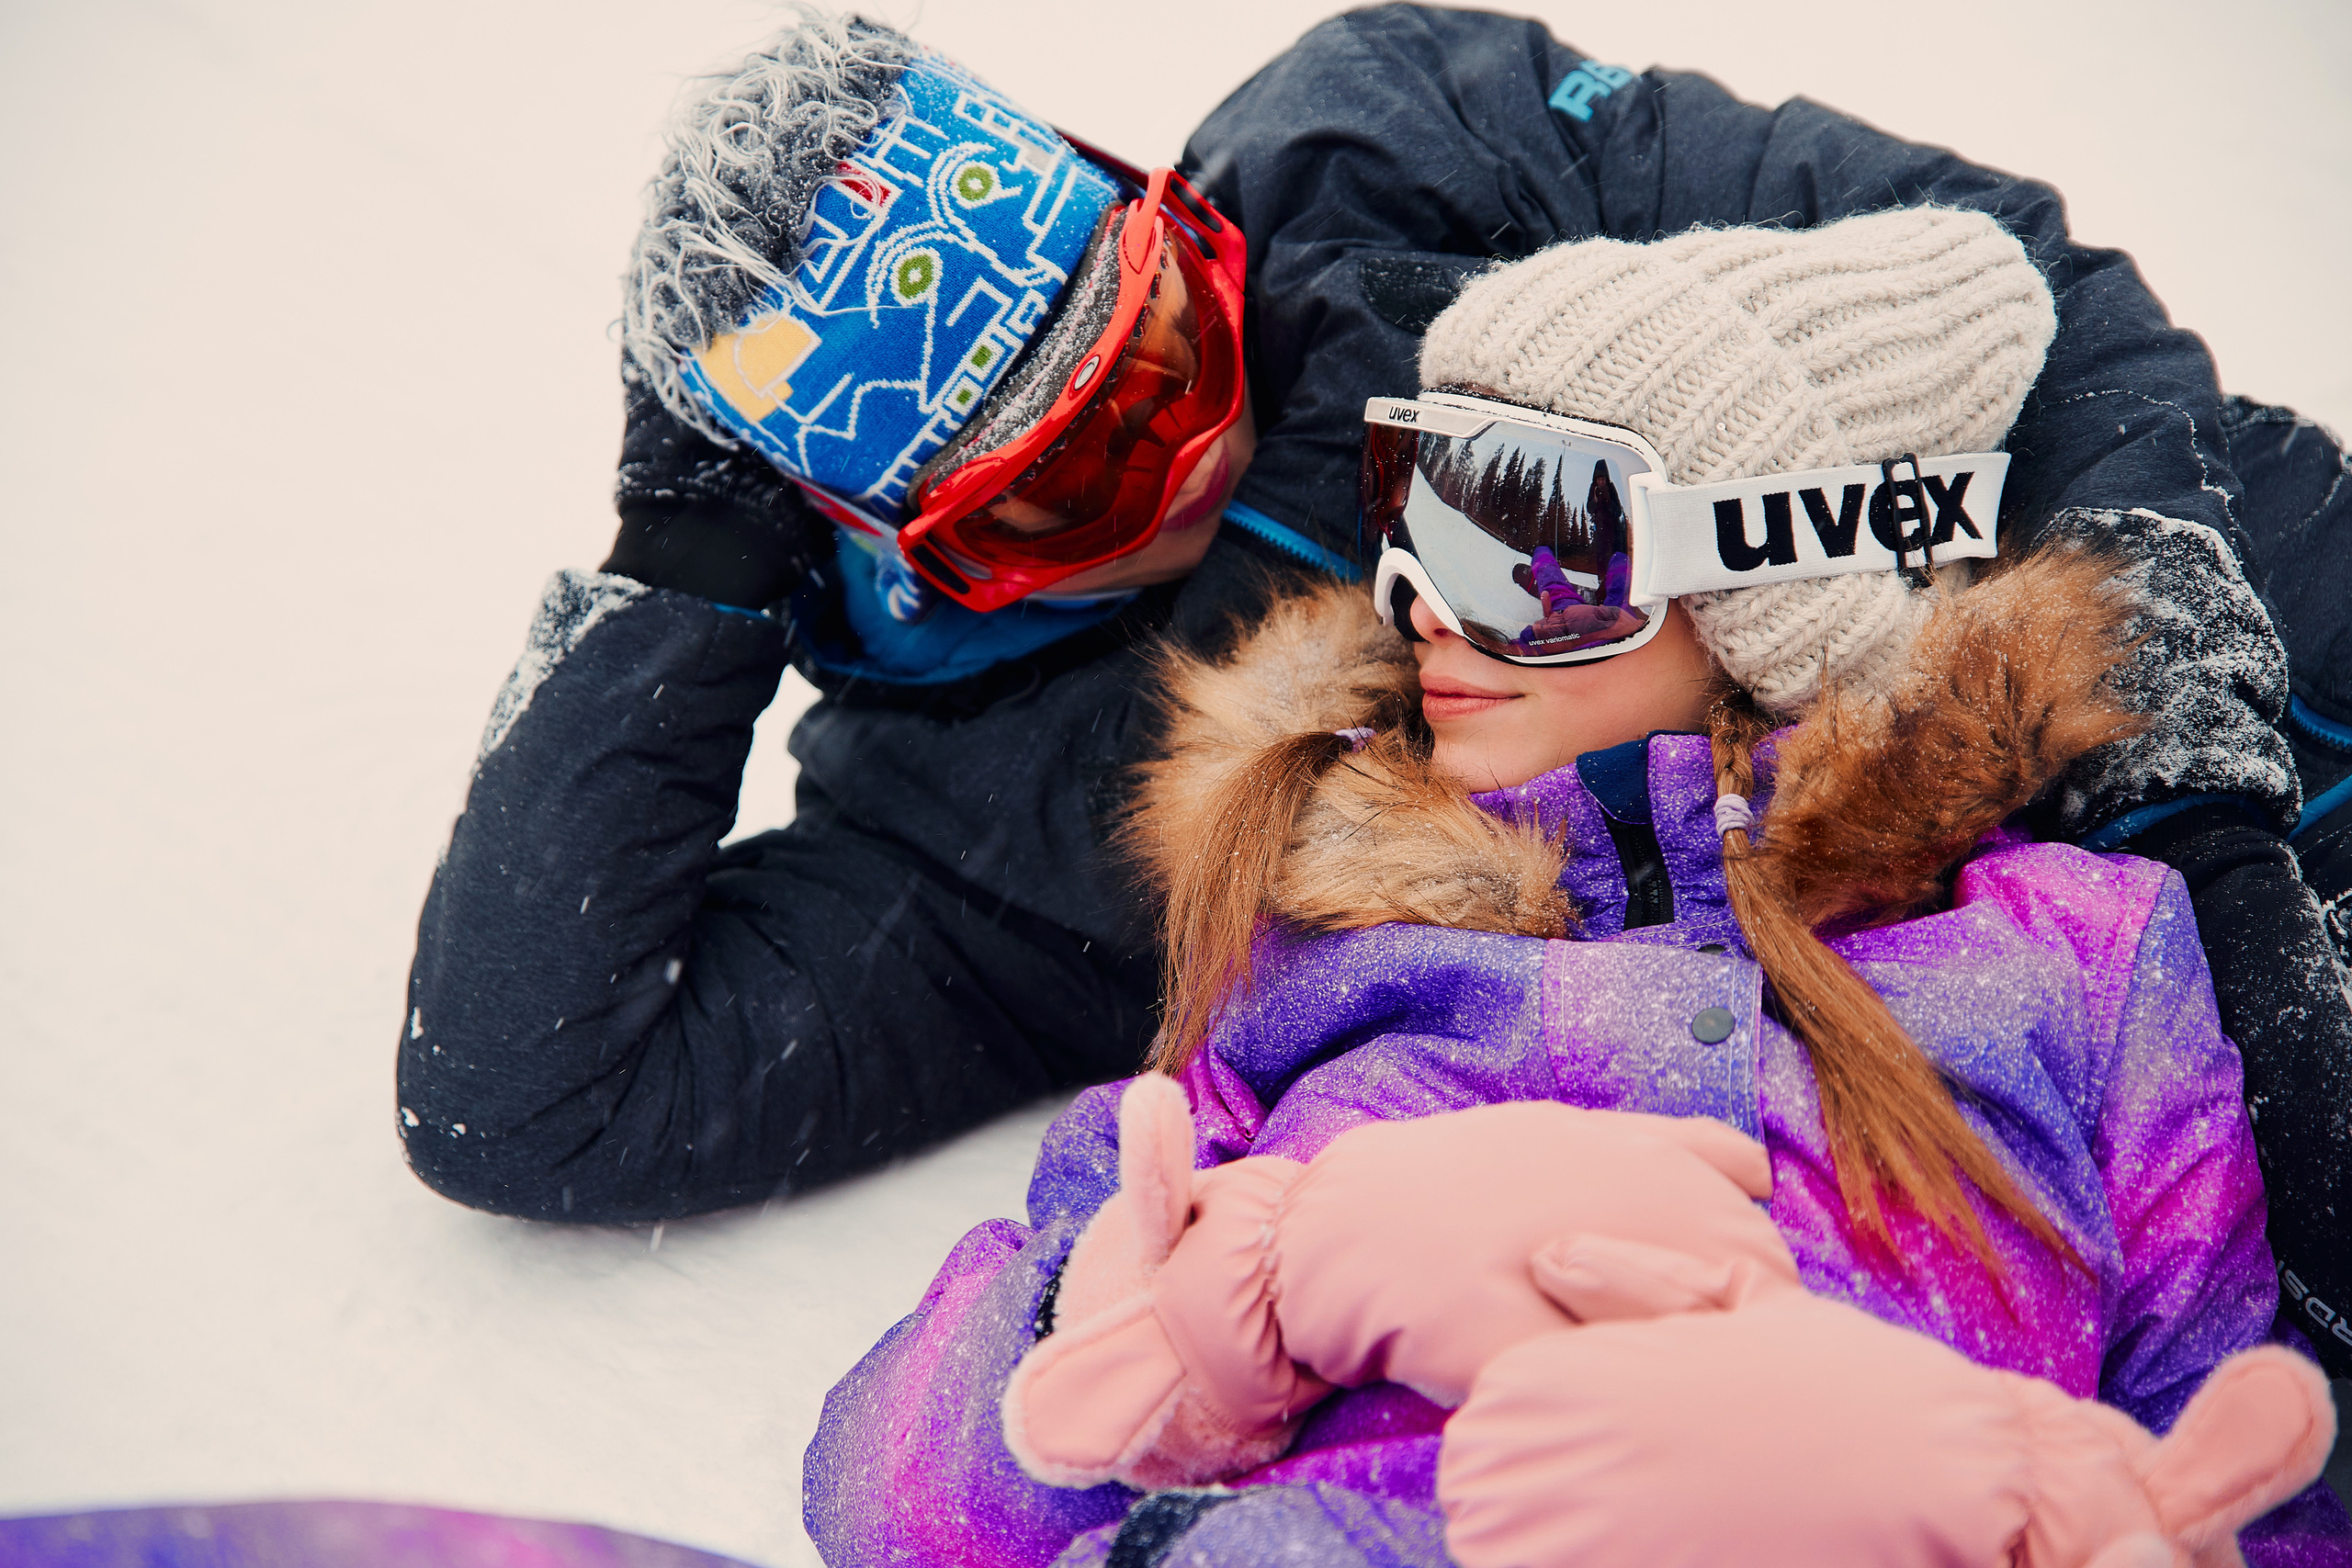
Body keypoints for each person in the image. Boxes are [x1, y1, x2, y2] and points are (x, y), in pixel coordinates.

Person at [395, 4, 2352, 1368]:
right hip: (1967, 1058)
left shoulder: (1383, 145)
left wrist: (2187, 795)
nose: (1190, 450)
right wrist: (687, 574)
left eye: (1169, 339)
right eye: (1079, 472)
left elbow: (2015, 292)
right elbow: (530, 1100)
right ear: (923, 542)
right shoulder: (962, 822)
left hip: (2162, 636)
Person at [800, 209, 2350, 1568]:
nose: (1428, 606)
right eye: (1416, 514)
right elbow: (893, 1504)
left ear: (1775, 581)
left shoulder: (2075, 962)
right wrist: (1201, 1304)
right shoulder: (1313, 945)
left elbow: (2253, 1487)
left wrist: (2007, 1517)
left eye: (1525, 535)